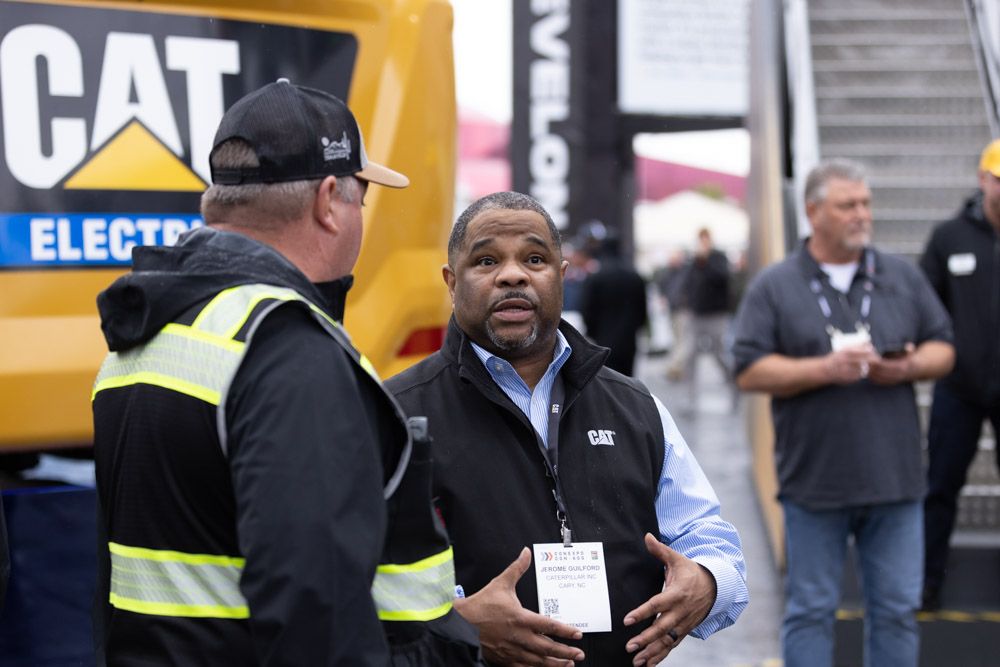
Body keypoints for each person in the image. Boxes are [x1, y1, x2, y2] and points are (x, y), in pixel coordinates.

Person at [91, 80, 478, 665]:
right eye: (359, 201)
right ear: (328, 201)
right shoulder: (285, 347)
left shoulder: (145, 331)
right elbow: (313, 614)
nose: (358, 222)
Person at [386, 191, 748, 666]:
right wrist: (457, 625)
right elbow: (354, 578)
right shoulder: (394, 414)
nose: (513, 274)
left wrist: (706, 581)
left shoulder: (634, 406)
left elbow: (709, 536)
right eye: (486, 260)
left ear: (561, 276)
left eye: (534, 258)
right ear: (452, 283)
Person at [731, 159, 954, 667]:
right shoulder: (776, 285)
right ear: (813, 212)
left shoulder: (900, 275)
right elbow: (748, 371)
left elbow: (946, 349)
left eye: (865, 204)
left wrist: (908, 366)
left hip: (896, 483)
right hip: (815, 484)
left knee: (896, 611)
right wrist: (824, 369)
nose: (861, 214)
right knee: (810, 610)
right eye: (847, 205)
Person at [919, 139, 1000, 611]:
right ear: (982, 178)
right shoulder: (950, 236)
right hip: (959, 386)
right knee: (941, 485)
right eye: (998, 179)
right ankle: (928, 580)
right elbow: (925, 304)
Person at [579, 233, 648, 375]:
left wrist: (592, 331)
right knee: (627, 381)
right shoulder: (635, 276)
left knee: (607, 382)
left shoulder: (596, 277)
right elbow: (642, 311)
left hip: (602, 340)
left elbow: (587, 309)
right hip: (628, 339)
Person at [680, 228, 733, 411]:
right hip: (696, 314)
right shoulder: (694, 260)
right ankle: (690, 398)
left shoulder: (718, 257)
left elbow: (722, 278)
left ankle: (733, 385)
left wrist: (706, 261)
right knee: (690, 356)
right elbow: (687, 281)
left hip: (715, 314)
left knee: (719, 354)